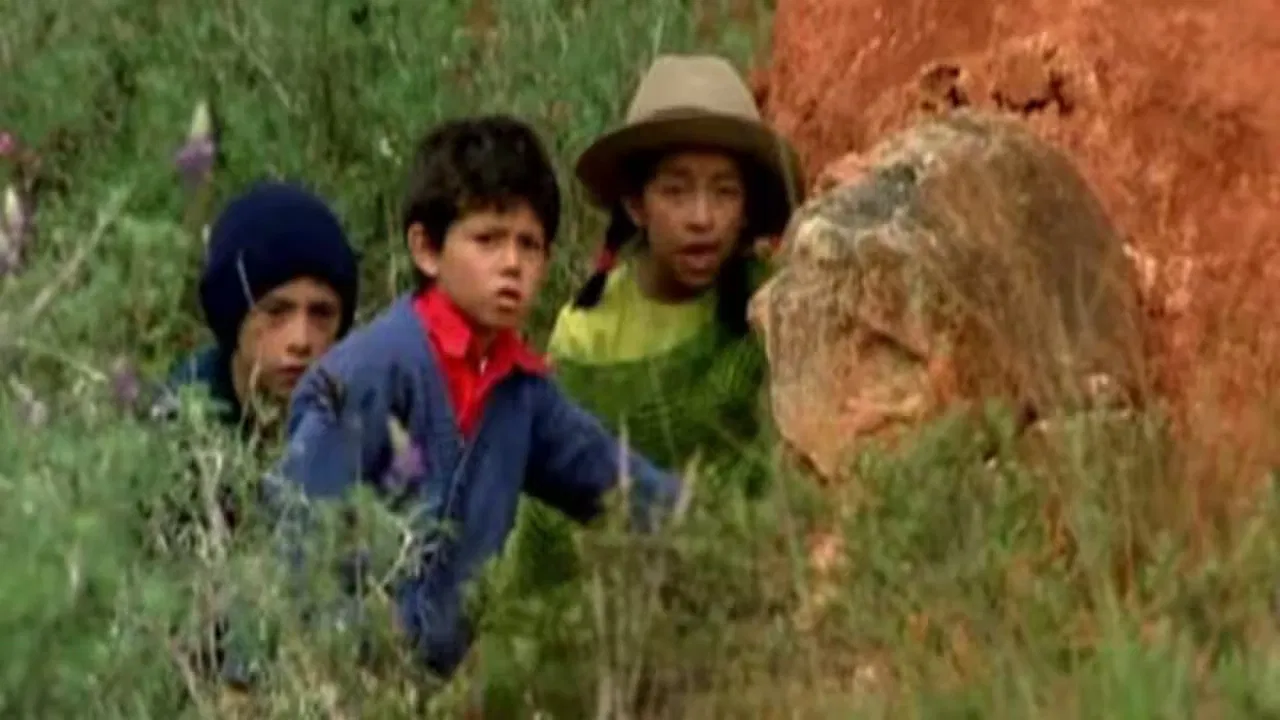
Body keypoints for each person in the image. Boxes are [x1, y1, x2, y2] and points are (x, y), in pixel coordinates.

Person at [265, 114, 681, 680]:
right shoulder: (367, 373)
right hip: (321, 684)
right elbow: (292, 553)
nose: (512, 264)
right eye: (487, 239)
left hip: (425, 694)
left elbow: (621, 484)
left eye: (529, 245)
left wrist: (735, 530)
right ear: (427, 249)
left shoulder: (523, 394)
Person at [506, 54, 804, 591]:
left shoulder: (777, 307)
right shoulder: (587, 330)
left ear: (747, 206)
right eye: (675, 190)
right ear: (636, 205)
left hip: (748, 596)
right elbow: (551, 512)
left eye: (724, 191)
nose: (702, 217)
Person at [163, 181, 360, 438]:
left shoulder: (362, 418)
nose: (300, 341)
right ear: (233, 322)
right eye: (276, 312)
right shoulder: (178, 427)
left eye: (321, 313)